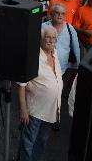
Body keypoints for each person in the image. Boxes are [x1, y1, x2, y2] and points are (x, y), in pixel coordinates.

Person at [17, 25, 63, 161]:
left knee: (41, 142)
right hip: (35, 112)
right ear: (40, 39)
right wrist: (23, 109)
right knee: (28, 143)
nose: (51, 41)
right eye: (47, 37)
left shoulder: (54, 53)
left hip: (50, 112)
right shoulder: (33, 57)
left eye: (54, 38)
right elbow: (21, 85)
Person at [42, 3, 80, 75]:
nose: (60, 15)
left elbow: (76, 50)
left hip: (62, 70)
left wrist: (77, 68)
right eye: (57, 13)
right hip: (44, 69)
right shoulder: (43, 27)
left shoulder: (70, 29)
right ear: (51, 14)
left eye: (63, 13)